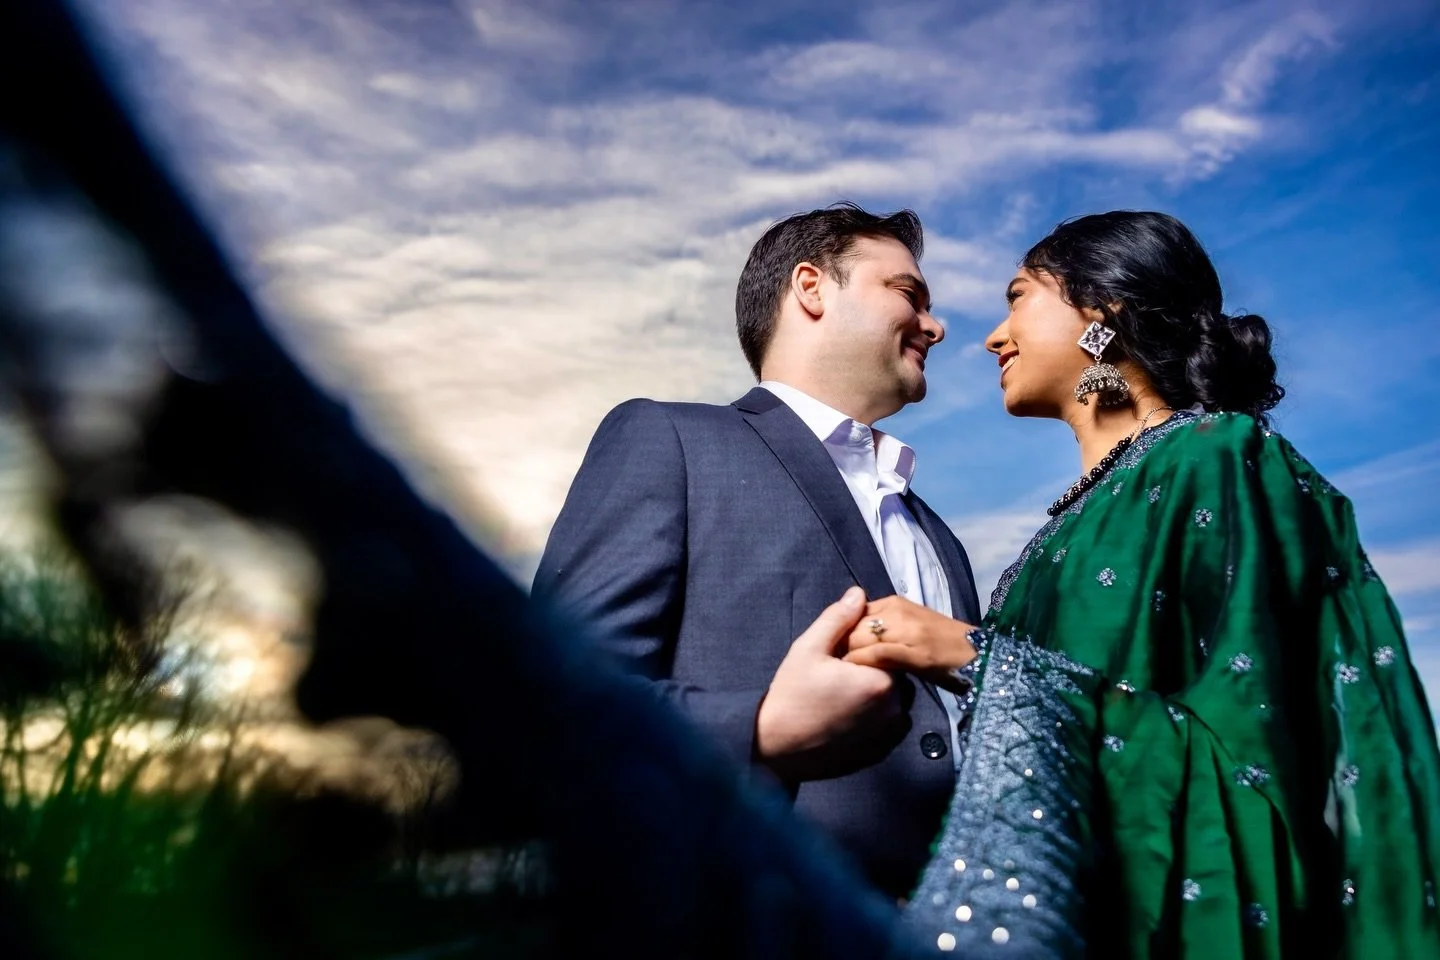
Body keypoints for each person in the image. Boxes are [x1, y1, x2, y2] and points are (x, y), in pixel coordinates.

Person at [841, 211, 1440, 957]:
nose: (994, 336)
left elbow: (1254, 765)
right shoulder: (1061, 529)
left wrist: (984, 660)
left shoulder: (1216, 455)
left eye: (1019, 297)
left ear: (1102, 314)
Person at [532, 203, 982, 900]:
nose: (936, 325)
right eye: (908, 294)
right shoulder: (669, 441)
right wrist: (763, 728)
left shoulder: (938, 536)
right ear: (811, 287)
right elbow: (546, 701)